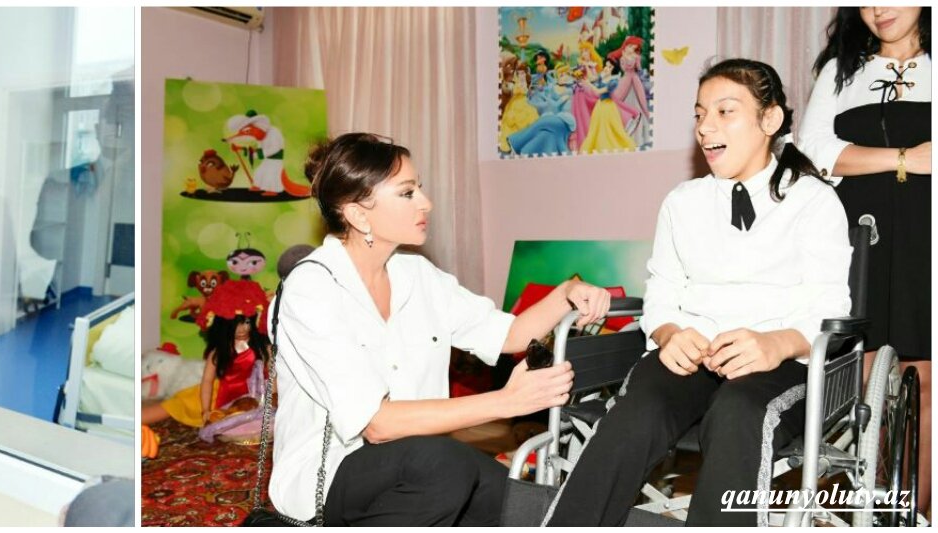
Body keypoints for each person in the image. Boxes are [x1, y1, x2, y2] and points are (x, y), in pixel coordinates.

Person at [546, 58, 851, 526]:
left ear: (770, 119)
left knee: (738, 411)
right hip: (692, 353)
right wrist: (668, 334)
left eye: (725, 112)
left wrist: (775, 344)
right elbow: (662, 292)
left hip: (779, 363)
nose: (706, 127)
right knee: (638, 410)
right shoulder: (682, 202)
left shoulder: (813, 200)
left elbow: (831, 307)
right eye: (699, 114)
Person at [269, 132, 611, 526]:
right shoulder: (311, 288)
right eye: (407, 193)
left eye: (420, 188)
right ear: (359, 214)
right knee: (445, 465)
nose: (426, 202)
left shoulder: (417, 274)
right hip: (332, 475)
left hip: (425, 467)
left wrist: (565, 293)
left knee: (531, 508)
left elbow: (510, 334)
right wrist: (507, 401)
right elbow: (377, 424)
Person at [800, 7, 931, 511]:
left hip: (927, 235)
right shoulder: (841, 69)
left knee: (926, 381)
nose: (878, 9)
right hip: (862, 236)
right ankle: (871, 510)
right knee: (867, 379)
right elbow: (813, 149)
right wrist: (905, 159)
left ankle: (915, 513)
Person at [141, 279, 270, 428]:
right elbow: (207, 381)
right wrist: (206, 410)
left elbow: (274, 377)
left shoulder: (262, 348)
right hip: (222, 396)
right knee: (179, 404)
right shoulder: (219, 352)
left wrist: (270, 398)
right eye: (234, 325)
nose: (242, 329)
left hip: (255, 396)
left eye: (246, 322)